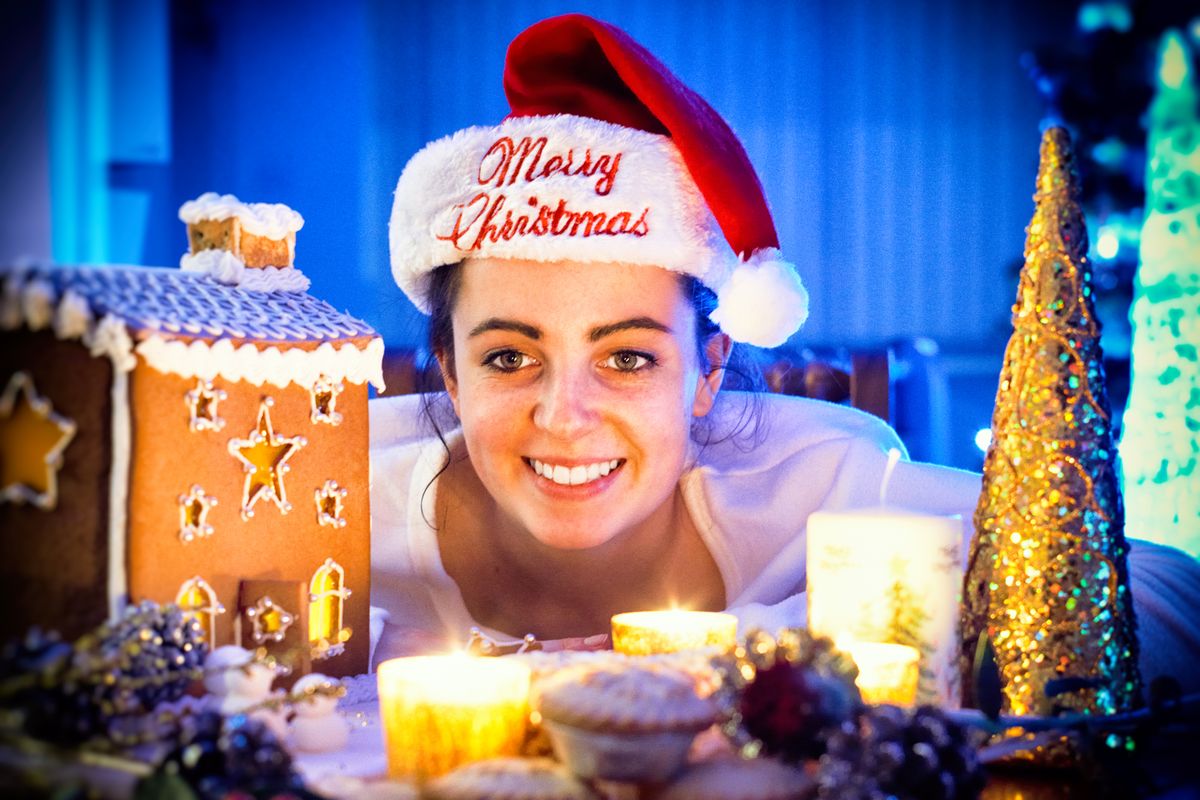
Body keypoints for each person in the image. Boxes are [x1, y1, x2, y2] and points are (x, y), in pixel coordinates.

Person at [369, 14, 1200, 692]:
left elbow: (1171, 593)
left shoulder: (821, 484)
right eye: (510, 358)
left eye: (628, 358)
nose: (564, 414)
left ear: (710, 371)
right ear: (447, 366)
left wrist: (755, 649)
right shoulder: (324, 505)